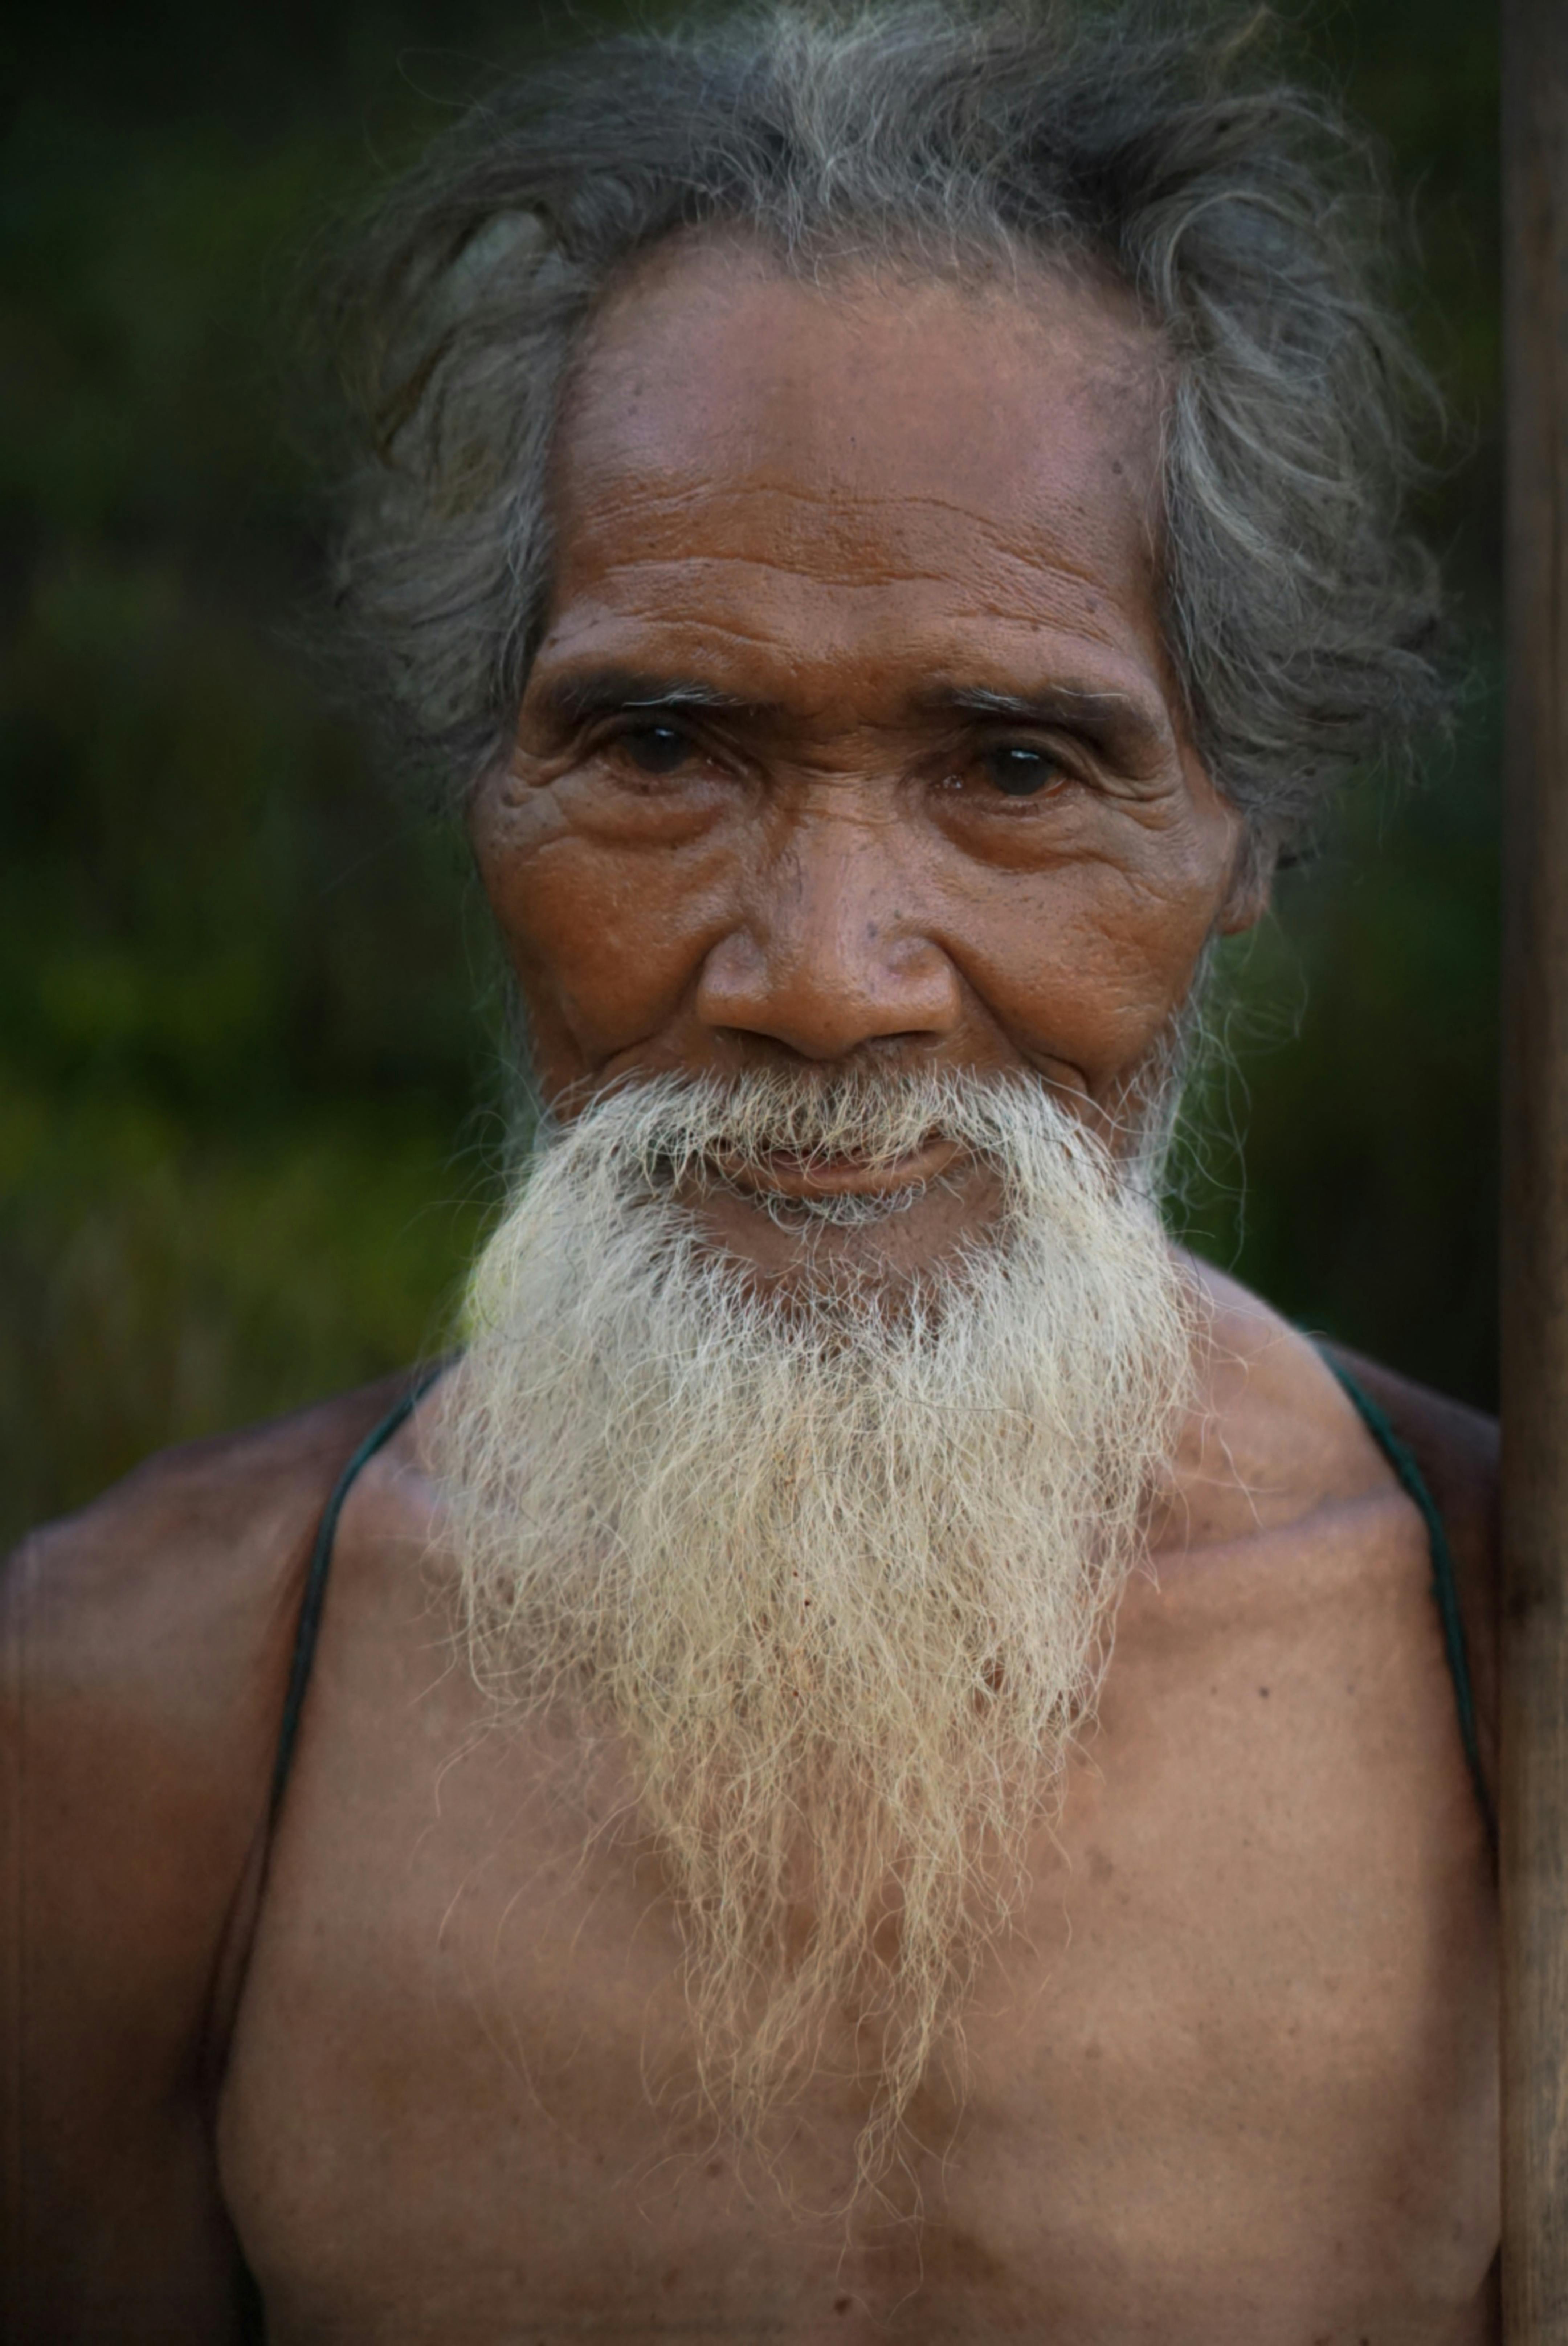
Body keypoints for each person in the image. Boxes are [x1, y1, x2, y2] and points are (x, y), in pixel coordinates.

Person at [2, 4, 1500, 2337]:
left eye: (1014, 764)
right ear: (489, 791)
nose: (822, 979)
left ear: (1249, 835)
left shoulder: (1508, 1697)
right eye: (666, 744)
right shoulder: (134, 1726)